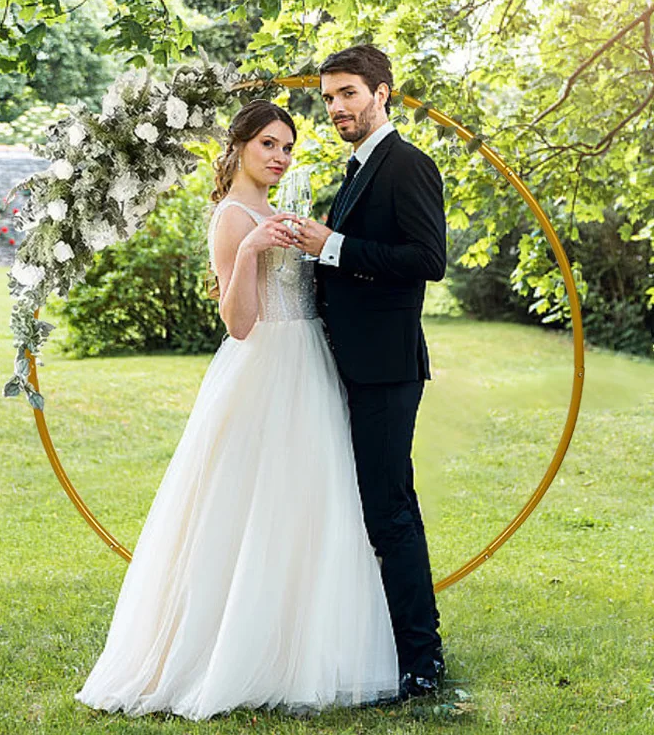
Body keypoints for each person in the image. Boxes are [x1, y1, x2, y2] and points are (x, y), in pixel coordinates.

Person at [75, 100, 399, 720]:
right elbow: (240, 323)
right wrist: (250, 248)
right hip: (264, 367)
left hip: (311, 362)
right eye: (268, 144)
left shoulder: (284, 212)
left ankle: (303, 650)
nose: (279, 157)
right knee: (249, 504)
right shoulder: (231, 217)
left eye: (287, 147)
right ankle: (229, 651)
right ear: (240, 147)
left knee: (311, 502)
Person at [296, 45, 447, 699]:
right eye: (329, 97)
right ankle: (389, 642)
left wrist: (331, 245)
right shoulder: (358, 167)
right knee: (374, 505)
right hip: (352, 361)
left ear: (383, 94)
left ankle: (422, 659)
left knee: (389, 510)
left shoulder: (407, 164)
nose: (336, 107)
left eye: (348, 94)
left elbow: (427, 259)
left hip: (386, 366)